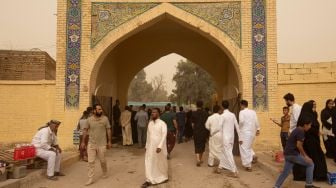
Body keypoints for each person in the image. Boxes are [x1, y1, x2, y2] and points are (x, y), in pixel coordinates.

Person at [273, 116, 320, 188]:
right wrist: (306, 157)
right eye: (309, 125)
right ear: (305, 125)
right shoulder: (301, 131)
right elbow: (299, 145)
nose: (310, 127)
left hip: (287, 154)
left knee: (285, 172)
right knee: (310, 164)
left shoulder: (297, 129)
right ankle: (309, 185)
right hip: (292, 154)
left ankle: (276, 186)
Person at [293, 101, 327, 181]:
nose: (314, 107)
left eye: (315, 105)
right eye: (313, 106)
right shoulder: (305, 117)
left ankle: (316, 175)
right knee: (312, 157)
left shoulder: (312, 115)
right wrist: (317, 132)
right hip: (308, 141)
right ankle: (316, 175)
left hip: (313, 140)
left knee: (315, 157)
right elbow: (307, 128)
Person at [81, 104, 112, 186]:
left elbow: (108, 130)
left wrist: (109, 141)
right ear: (94, 111)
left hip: (102, 144)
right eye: (98, 109)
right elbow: (85, 130)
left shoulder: (105, 119)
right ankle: (90, 178)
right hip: (91, 144)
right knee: (90, 162)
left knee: (102, 160)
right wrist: (83, 142)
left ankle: (105, 172)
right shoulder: (89, 120)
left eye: (101, 109)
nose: (100, 111)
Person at [141, 108, 168, 188]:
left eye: (155, 112)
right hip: (150, 147)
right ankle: (148, 179)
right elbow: (148, 136)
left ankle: (163, 176)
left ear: (159, 113)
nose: (153, 113)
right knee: (149, 162)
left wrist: (160, 146)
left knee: (160, 162)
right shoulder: (150, 123)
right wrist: (146, 145)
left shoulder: (162, 123)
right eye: (152, 112)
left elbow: (164, 135)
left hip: (159, 148)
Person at [217, 100, 242, 177]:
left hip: (225, 138)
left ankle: (234, 171)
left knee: (228, 154)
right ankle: (220, 167)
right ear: (228, 106)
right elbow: (237, 126)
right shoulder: (232, 115)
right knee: (224, 152)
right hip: (231, 137)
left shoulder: (222, 116)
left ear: (222, 107)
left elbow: (219, 128)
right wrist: (240, 137)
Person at [238, 100, 260, 171]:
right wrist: (258, 129)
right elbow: (256, 121)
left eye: (240, 105)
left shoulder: (242, 112)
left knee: (244, 148)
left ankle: (248, 165)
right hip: (252, 133)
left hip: (245, 133)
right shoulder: (253, 112)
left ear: (242, 105)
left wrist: (239, 127)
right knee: (248, 147)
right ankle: (253, 155)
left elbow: (241, 121)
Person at [192, 100, 209, 166]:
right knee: (202, 145)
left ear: (196, 105)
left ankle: (198, 159)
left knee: (196, 144)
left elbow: (192, 124)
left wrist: (195, 129)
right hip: (203, 131)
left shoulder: (193, 113)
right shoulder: (206, 113)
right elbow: (207, 123)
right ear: (202, 105)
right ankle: (200, 159)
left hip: (196, 131)